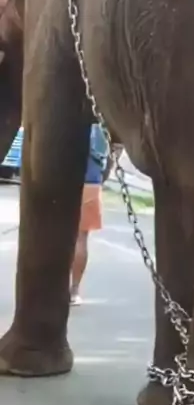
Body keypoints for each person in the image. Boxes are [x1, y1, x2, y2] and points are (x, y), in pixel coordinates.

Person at [69, 123, 110, 306]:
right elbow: (111, 155)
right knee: (81, 238)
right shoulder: (101, 122)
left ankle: (53, 286)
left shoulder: (67, 116)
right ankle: (74, 290)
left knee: (54, 237)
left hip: (62, 179)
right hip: (91, 181)